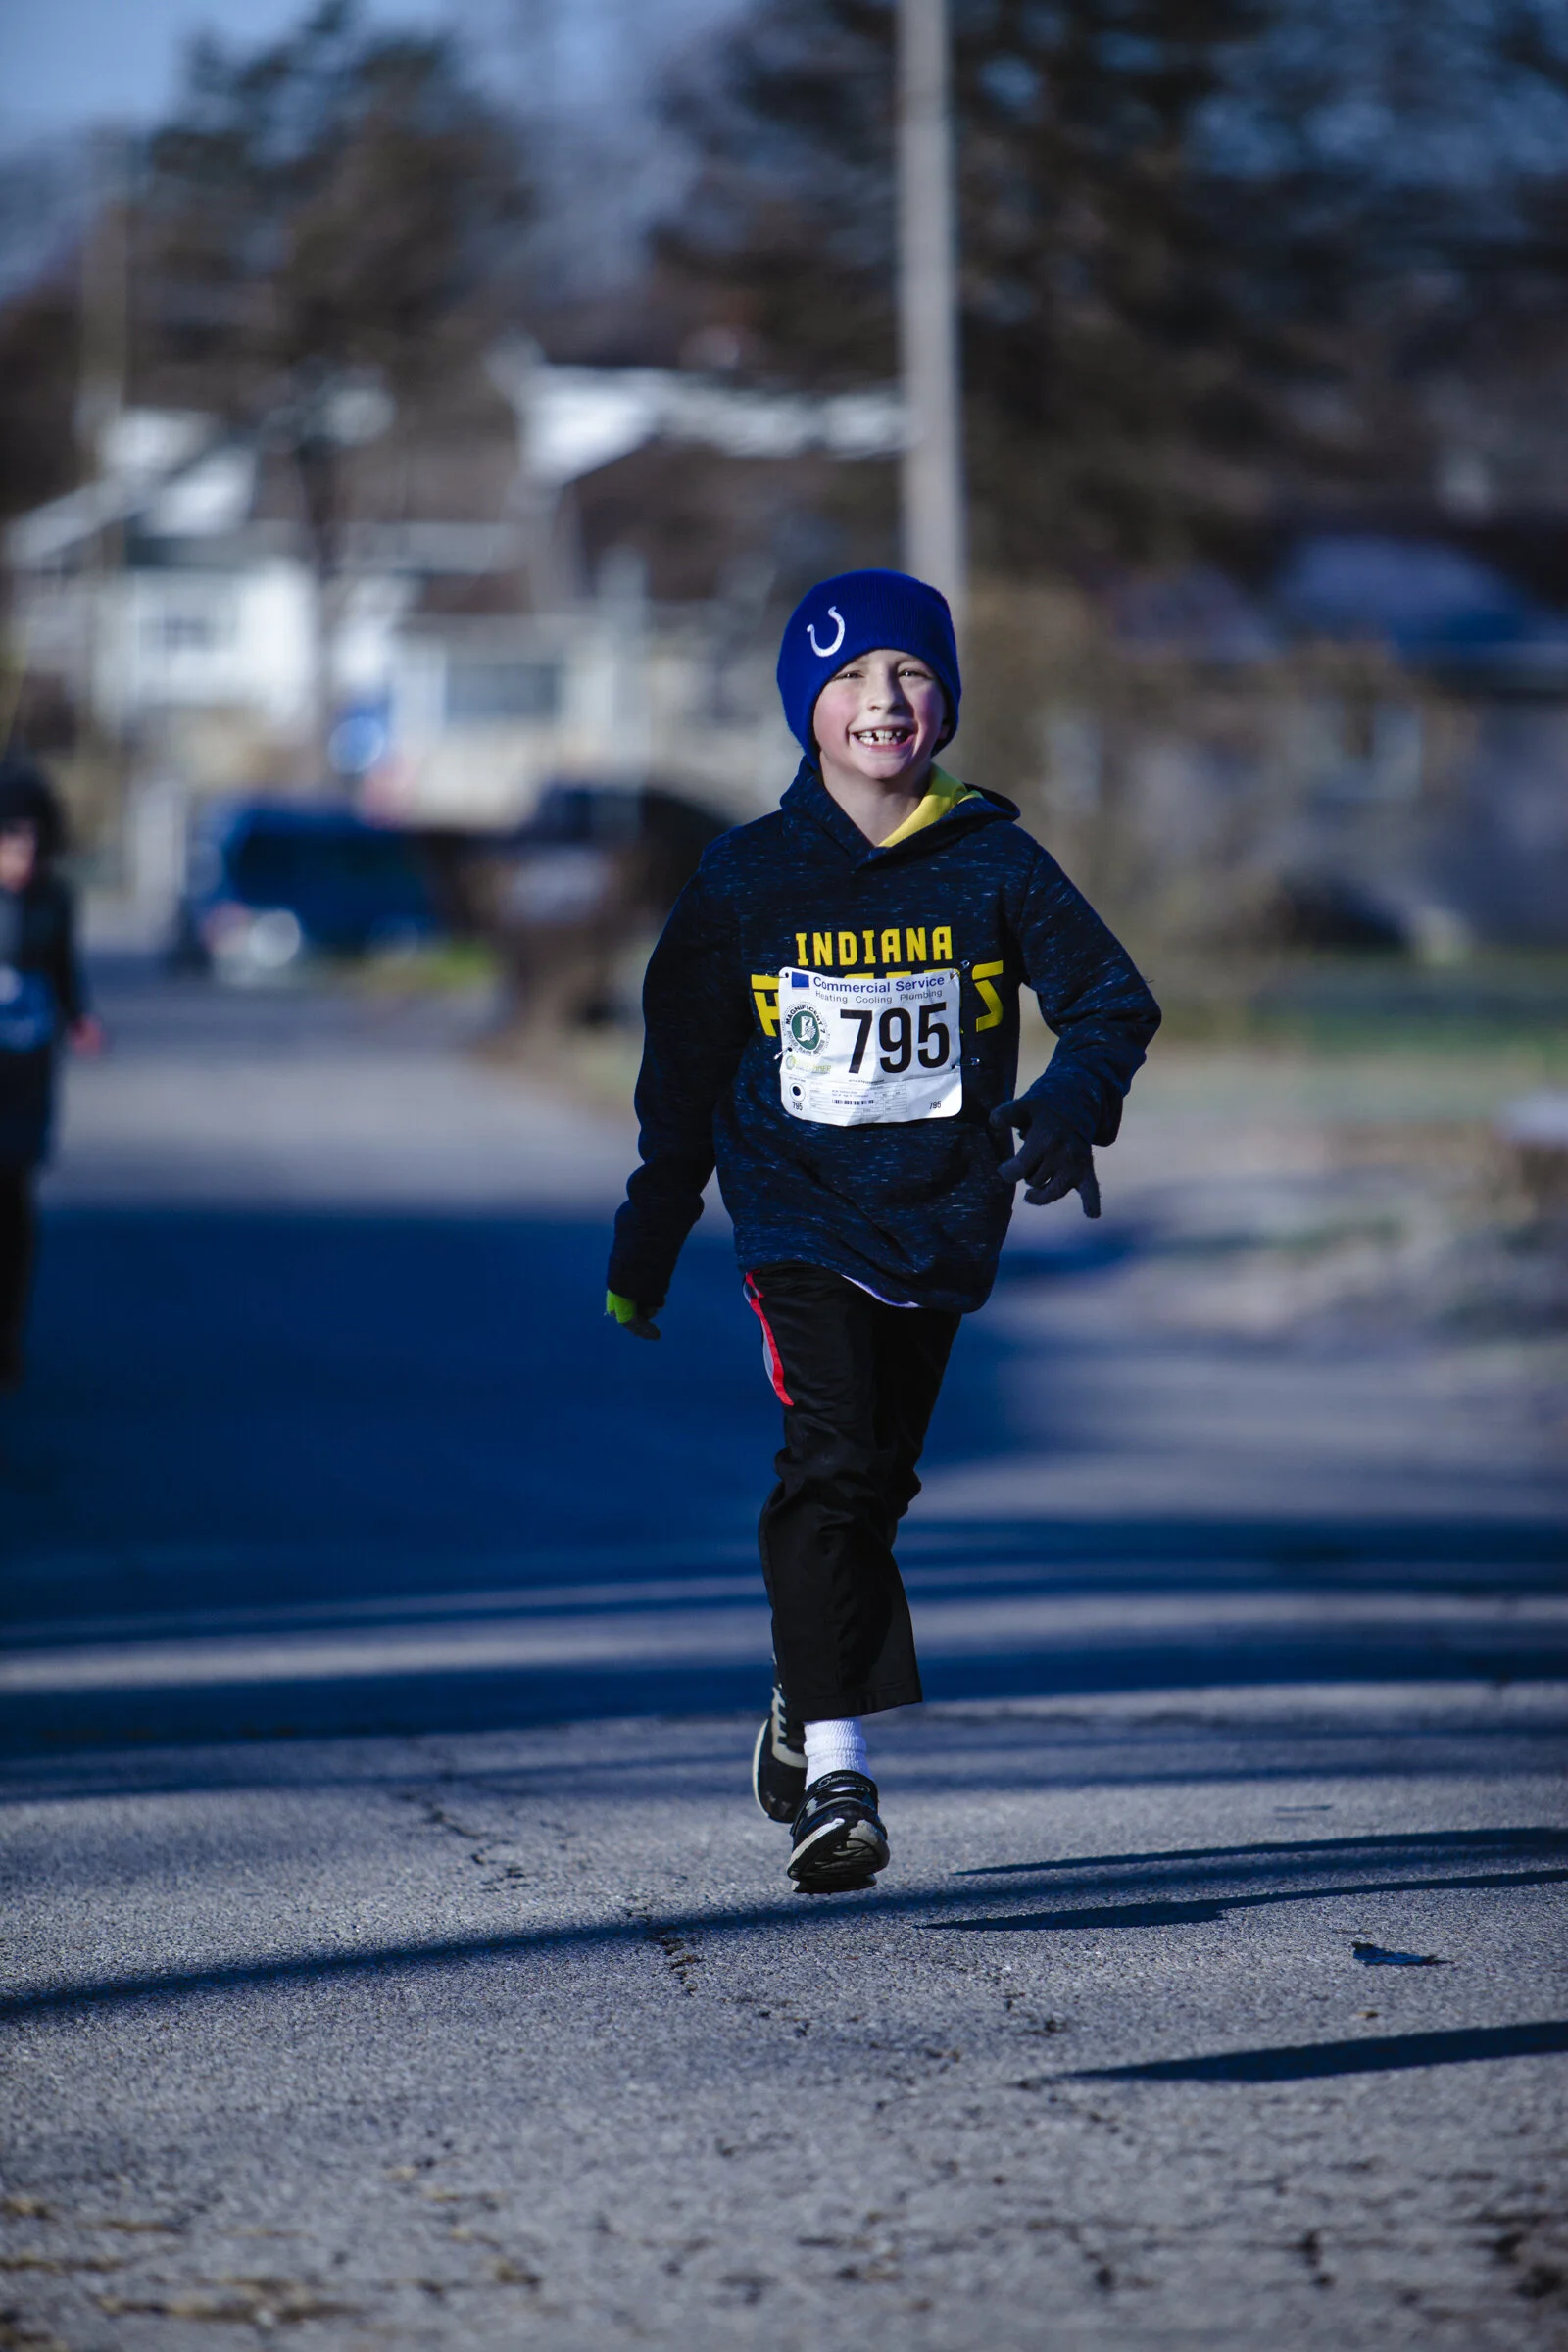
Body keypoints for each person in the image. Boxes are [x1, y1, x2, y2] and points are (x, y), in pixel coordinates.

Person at [605, 569, 1159, 1892]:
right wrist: (652, 1226)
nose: (882, 700)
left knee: (878, 1487)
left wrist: (1070, 1105)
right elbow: (681, 1073)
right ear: (808, 708)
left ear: (945, 700)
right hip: (795, 1216)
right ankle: (840, 1780)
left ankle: (807, 1681)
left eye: (910, 674)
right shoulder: (745, 878)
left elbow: (1111, 1004)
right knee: (835, 1465)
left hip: (942, 1223)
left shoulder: (994, 861)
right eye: (850, 679)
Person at [0, 759, 101, 1392]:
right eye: (11, 838)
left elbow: (65, 970)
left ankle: (6, 1333)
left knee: (12, 1204)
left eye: (34, 839)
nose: (24, 853)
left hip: (25, 1071)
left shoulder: (54, 901)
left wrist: (79, 1018)